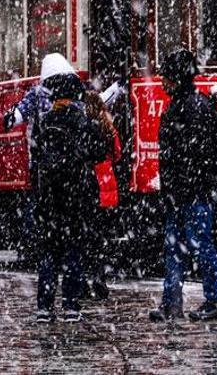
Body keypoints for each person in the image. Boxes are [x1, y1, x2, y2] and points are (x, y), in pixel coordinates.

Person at [149, 49, 217, 322]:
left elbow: (184, 155)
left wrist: (178, 186)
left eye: (166, 77)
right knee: (193, 246)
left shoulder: (185, 108)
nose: (163, 82)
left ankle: (190, 301)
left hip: (188, 192)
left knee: (185, 247)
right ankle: (190, 301)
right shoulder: (198, 105)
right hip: (193, 190)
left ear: (175, 79)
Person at [34, 72, 107, 323]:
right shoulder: (82, 120)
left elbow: (36, 156)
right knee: (74, 250)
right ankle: (70, 305)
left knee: (49, 252)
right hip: (76, 195)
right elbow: (99, 152)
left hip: (49, 196)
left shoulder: (44, 121)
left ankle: (44, 307)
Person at [4, 53, 77, 267]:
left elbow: (14, 118)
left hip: (43, 164)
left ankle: (37, 252)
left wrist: (10, 114)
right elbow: (98, 104)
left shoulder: (37, 93)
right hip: (73, 165)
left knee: (37, 206)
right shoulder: (77, 91)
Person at [83, 90, 122, 300]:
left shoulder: (83, 126)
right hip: (105, 178)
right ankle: (99, 277)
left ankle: (83, 279)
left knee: (84, 234)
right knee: (101, 235)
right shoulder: (108, 127)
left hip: (88, 179)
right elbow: (117, 153)